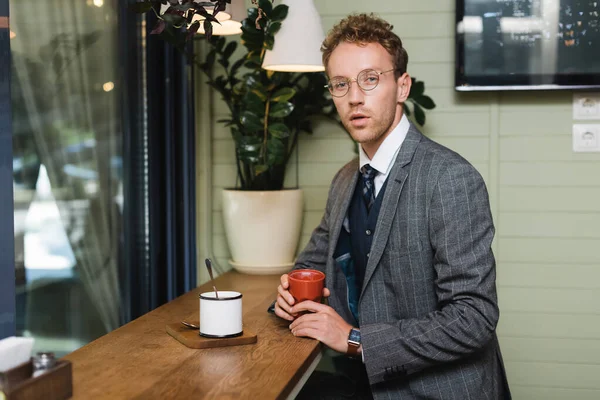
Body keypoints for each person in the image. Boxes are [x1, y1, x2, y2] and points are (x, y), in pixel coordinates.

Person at [274, 13, 511, 400]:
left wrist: (353, 338)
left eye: (370, 79)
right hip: (364, 385)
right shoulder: (344, 180)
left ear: (402, 87)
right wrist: (289, 292)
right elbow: (310, 266)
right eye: (340, 84)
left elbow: (474, 318)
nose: (354, 97)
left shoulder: (449, 178)